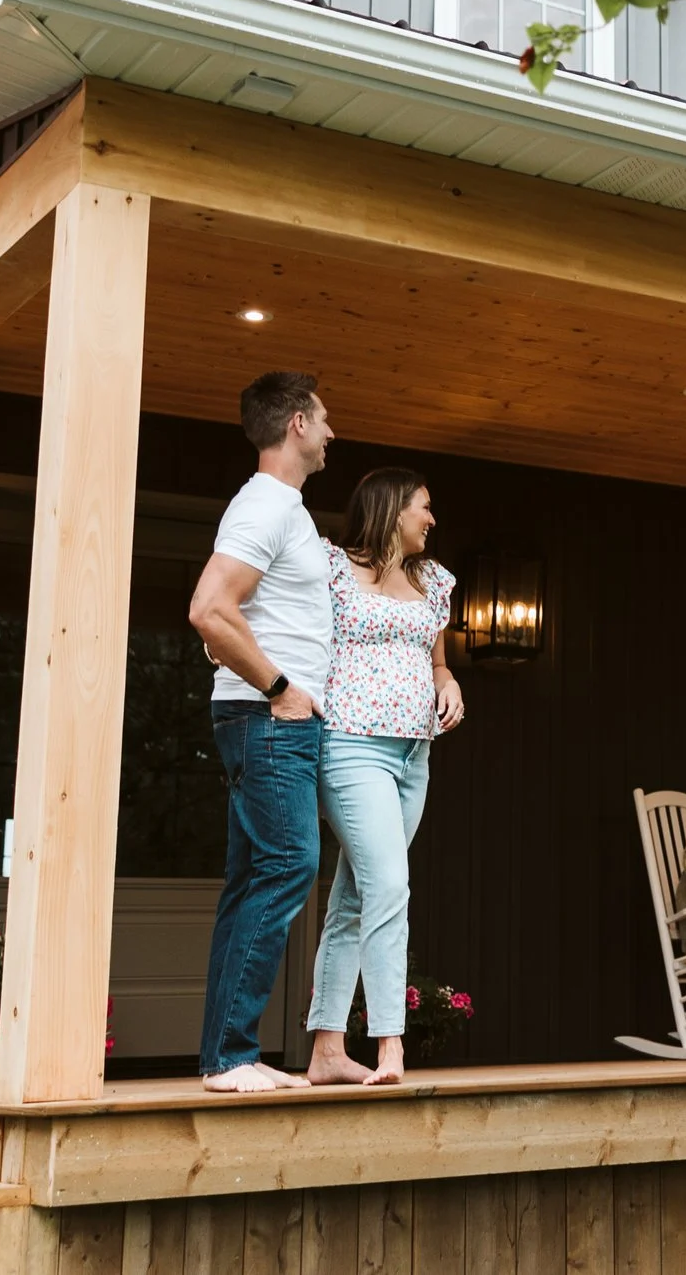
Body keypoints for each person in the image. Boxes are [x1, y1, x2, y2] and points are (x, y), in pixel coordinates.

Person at [187, 371, 335, 1094]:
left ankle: (225, 1053)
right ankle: (231, 1055)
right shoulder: (266, 506)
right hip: (270, 721)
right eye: (326, 419)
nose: (333, 434)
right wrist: (280, 689)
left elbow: (229, 622)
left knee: (255, 876)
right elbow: (211, 609)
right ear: (299, 423)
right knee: (288, 866)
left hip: (266, 719)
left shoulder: (284, 510)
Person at [304, 467, 463, 1086]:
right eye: (424, 507)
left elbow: (437, 660)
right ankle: (390, 1046)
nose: (431, 519)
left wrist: (448, 683)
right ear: (394, 508)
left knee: (354, 898)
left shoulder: (432, 581)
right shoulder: (334, 569)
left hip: (412, 755)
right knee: (390, 886)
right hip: (351, 746)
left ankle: (325, 1049)